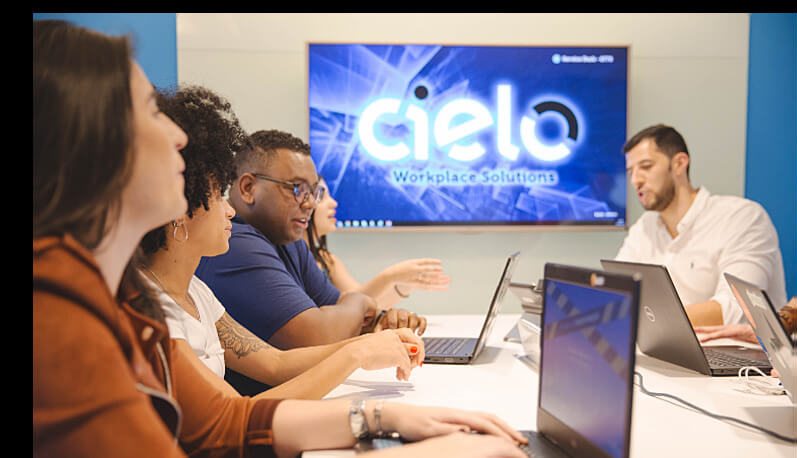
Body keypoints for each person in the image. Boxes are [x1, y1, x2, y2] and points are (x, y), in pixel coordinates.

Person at [33, 19, 528, 458]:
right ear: (89, 139)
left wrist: (382, 418)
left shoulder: (121, 295)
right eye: (150, 110)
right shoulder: (56, 312)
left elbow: (225, 421)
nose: (178, 137)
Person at [140, 85, 424, 400]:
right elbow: (231, 416)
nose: (229, 209)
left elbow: (275, 363)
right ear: (179, 209)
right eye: (218, 195)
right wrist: (358, 352)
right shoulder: (148, 309)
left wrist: (369, 345)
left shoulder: (198, 293)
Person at [195, 130, 427, 350]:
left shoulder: (287, 239)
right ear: (248, 188)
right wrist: (361, 303)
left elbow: (338, 308)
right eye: (297, 189)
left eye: (314, 192)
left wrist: (379, 319)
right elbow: (318, 337)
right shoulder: (234, 242)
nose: (309, 204)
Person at [615, 124, 787, 327]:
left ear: (679, 163)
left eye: (646, 166)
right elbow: (618, 291)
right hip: (665, 343)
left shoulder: (741, 217)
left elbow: (738, 308)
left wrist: (651, 322)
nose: (635, 180)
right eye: (630, 172)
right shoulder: (644, 227)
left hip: (736, 346)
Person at [302, 176, 451, 312]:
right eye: (321, 197)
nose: (333, 203)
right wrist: (390, 276)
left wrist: (404, 285)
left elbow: (368, 307)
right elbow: (347, 306)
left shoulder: (327, 260)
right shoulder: (293, 262)